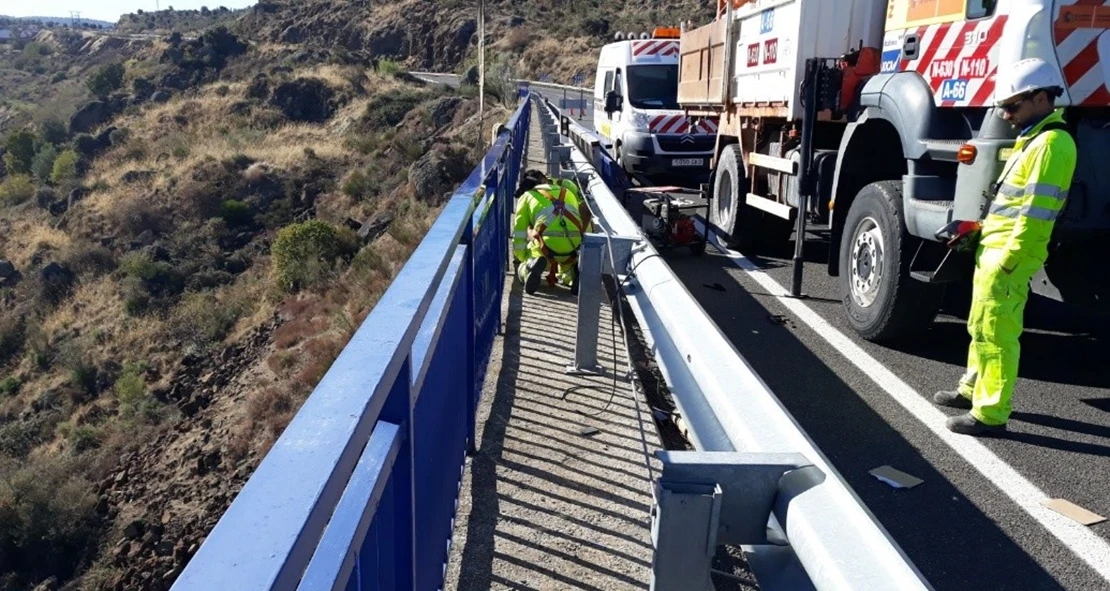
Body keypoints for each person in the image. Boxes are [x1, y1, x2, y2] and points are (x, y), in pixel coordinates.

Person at [934, 58, 1077, 436]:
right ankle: (972, 389)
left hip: (1009, 255)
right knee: (981, 323)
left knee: (998, 332)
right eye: (1004, 107)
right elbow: (1014, 204)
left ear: (1043, 98)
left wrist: (1011, 259)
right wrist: (980, 228)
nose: (1007, 115)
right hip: (996, 248)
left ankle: (991, 413)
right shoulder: (1033, 139)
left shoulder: (1051, 144)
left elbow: (1036, 214)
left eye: (1013, 106)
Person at [512, 170, 593, 295]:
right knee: (566, 267)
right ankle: (573, 273)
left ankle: (529, 267)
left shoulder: (527, 196)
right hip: (572, 245)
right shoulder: (568, 191)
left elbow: (519, 233)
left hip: (545, 246)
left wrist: (522, 257)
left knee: (525, 265)